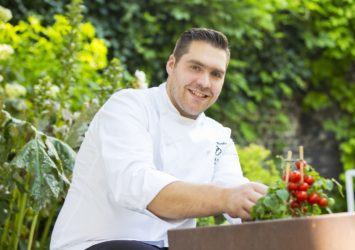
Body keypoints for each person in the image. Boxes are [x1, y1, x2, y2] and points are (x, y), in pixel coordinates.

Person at [50, 27, 268, 250]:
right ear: (171, 65)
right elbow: (136, 185)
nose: (204, 82)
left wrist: (270, 204)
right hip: (92, 244)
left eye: (216, 74)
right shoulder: (128, 107)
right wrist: (225, 198)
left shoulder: (218, 136)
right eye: (195, 67)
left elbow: (234, 190)